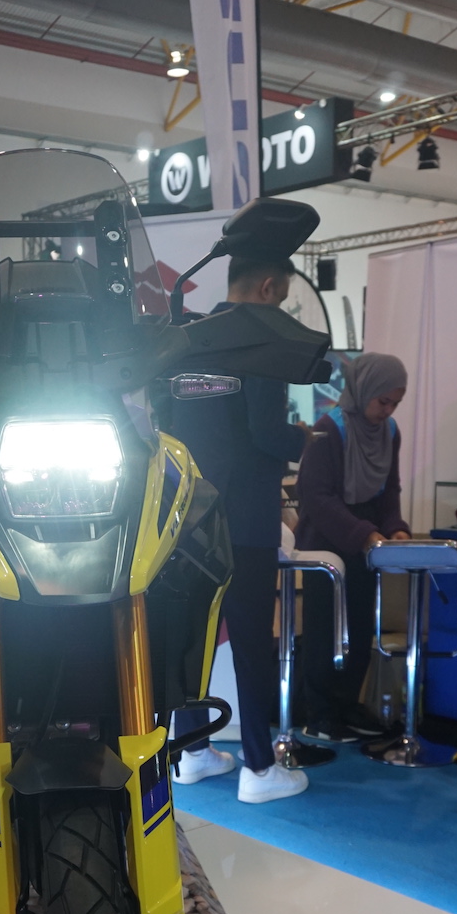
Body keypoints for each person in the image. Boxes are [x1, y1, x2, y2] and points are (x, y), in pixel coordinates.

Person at [171, 251, 309, 804]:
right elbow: (267, 432)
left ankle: (192, 753)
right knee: (252, 642)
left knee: (192, 640)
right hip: (246, 518)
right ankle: (259, 767)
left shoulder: (188, 341)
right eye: (283, 299)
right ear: (269, 286)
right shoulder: (262, 343)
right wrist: (306, 439)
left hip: (188, 516)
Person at [295, 354, 411, 742]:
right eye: (383, 401)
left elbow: (389, 489)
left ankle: (347, 705)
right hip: (326, 543)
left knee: (360, 629)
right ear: (364, 391)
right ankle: (320, 713)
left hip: (367, 543)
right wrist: (365, 534)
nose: (388, 410)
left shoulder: (389, 431)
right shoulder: (330, 429)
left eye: (395, 403)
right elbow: (316, 496)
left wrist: (395, 529)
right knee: (324, 631)